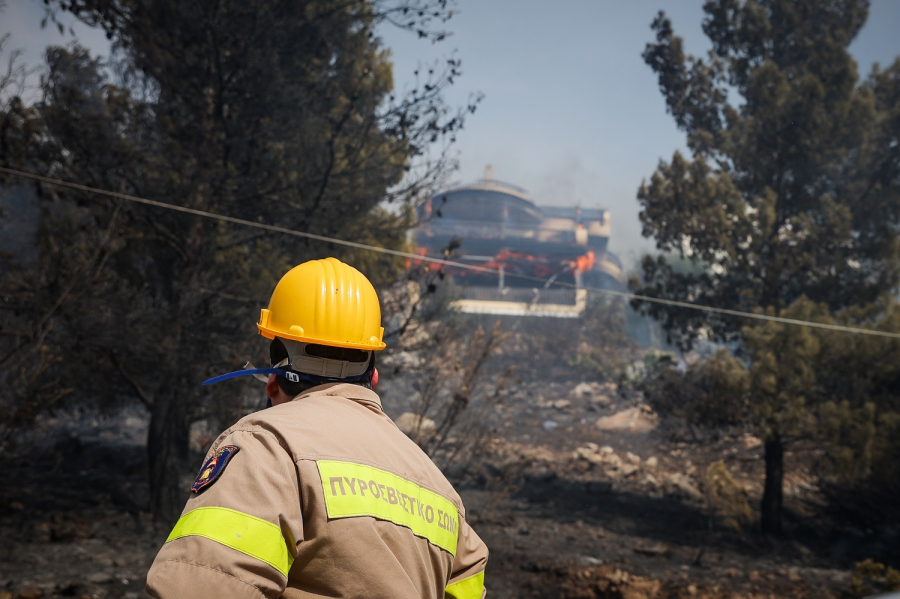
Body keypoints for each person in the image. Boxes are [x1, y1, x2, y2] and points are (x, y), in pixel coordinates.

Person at [145, 257, 488, 598]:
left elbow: (199, 588)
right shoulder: (441, 492)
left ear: (273, 384)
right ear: (373, 376)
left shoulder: (266, 447)